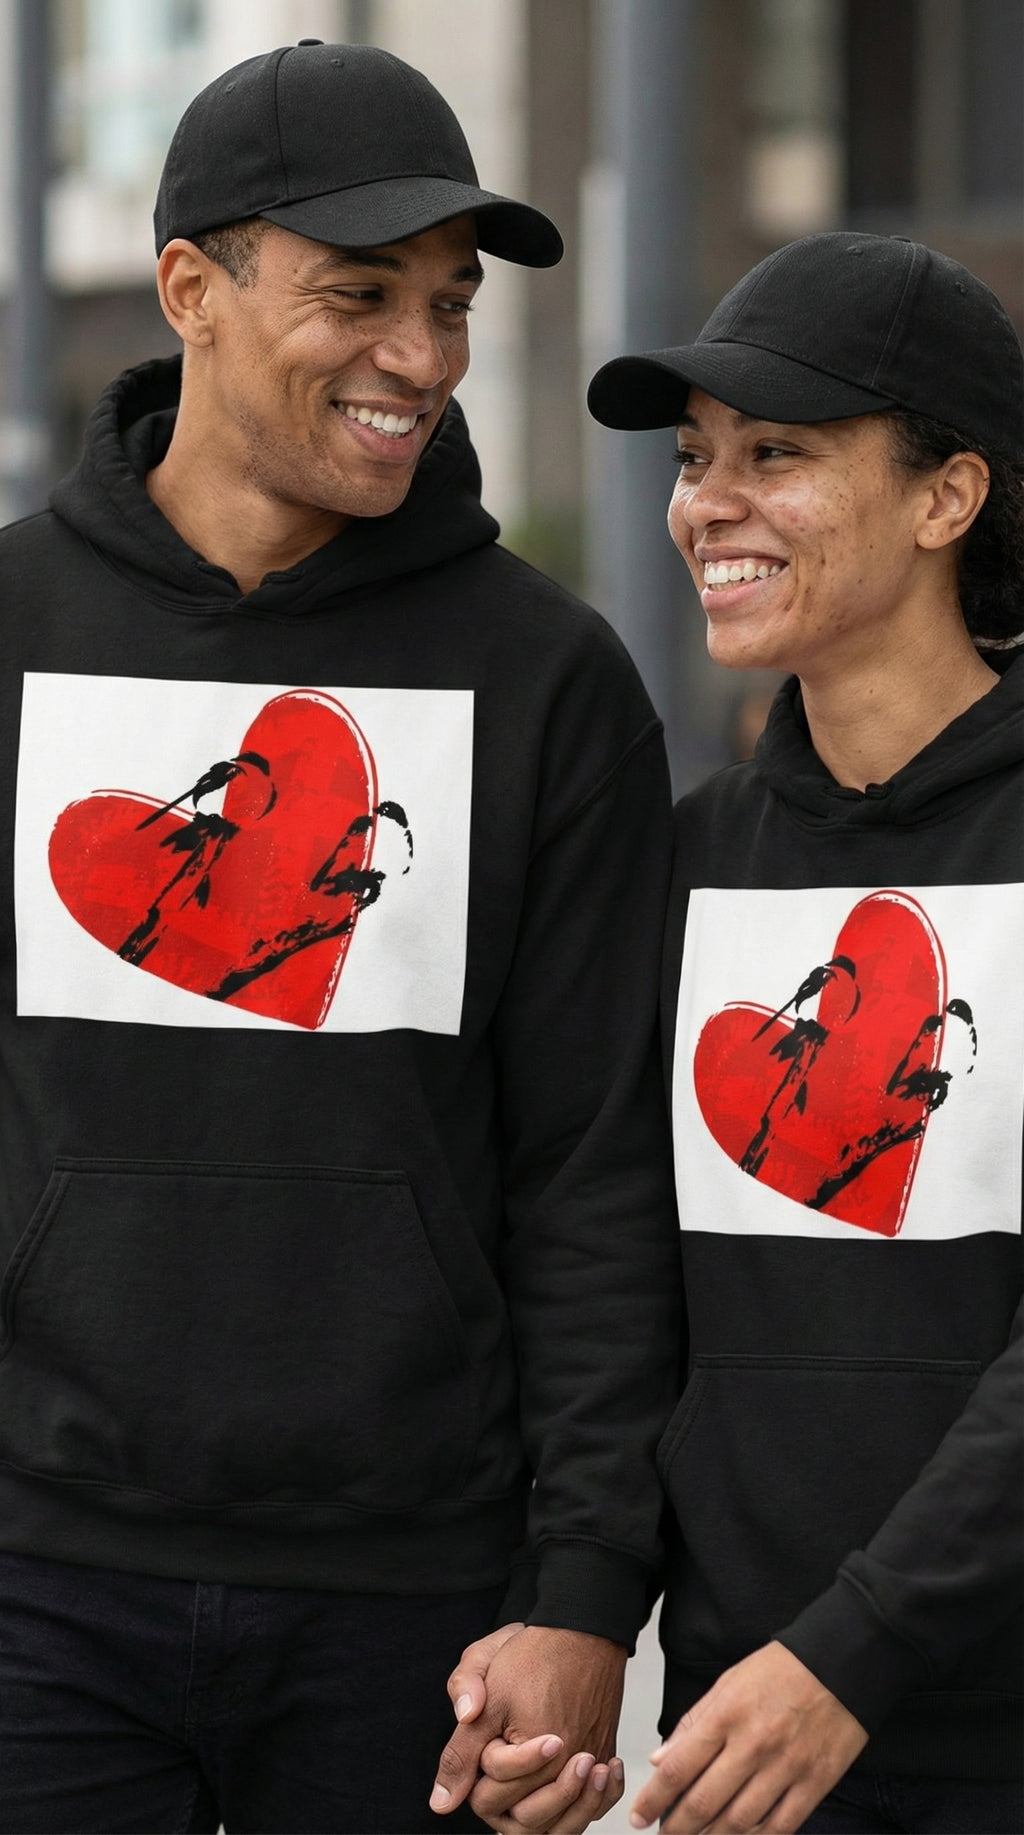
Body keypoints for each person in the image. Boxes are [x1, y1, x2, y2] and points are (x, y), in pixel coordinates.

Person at [0, 40, 682, 1835]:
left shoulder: (549, 681)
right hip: (33, 1582)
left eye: (450, 305)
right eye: (360, 294)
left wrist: (585, 1592)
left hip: (419, 1608)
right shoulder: (11, 629)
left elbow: (598, 1175)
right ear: (191, 292)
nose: (423, 357)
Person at [444, 232, 1023, 1834]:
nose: (709, 502)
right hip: (742, 1739)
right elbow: (621, 1277)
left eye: (779, 455)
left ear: (947, 497)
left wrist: (856, 1651)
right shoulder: (689, 858)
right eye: (696, 459)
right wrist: (578, 1614)